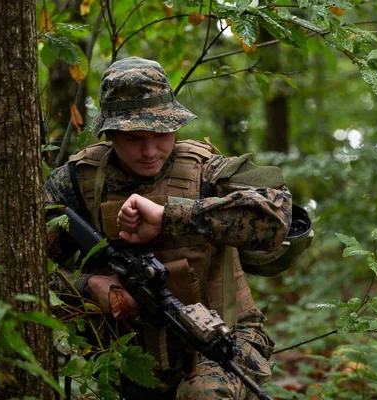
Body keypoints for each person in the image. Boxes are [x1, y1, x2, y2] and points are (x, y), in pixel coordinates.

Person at [45, 56, 293, 399]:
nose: (150, 151)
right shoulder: (76, 180)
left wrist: (169, 216)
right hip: (121, 349)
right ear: (111, 133)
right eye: (134, 138)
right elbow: (19, 268)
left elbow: (278, 216)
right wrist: (86, 286)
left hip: (222, 339)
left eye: (161, 133)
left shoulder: (207, 170)